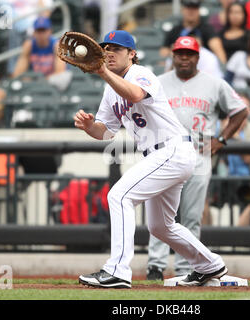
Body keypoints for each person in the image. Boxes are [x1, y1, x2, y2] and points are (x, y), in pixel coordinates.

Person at [75, 30, 229, 288]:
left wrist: (102, 71)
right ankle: (209, 265)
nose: (109, 53)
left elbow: (135, 95)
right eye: (106, 49)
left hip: (171, 149)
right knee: (161, 227)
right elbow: (106, 132)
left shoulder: (140, 73)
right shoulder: (110, 89)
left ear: (132, 54)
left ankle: (117, 271)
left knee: (119, 196)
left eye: (117, 49)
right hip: (162, 155)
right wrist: (89, 126)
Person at [146, 36, 248, 280]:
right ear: (173, 55)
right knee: (159, 217)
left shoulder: (214, 83)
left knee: (191, 216)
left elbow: (240, 110)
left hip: (198, 156)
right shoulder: (157, 83)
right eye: (180, 53)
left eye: (189, 53)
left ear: (197, 57)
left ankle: (185, 267)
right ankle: (155, 266)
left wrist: (221, 139)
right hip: (164, 155)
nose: (184, 57)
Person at [160, 0, 227, 65]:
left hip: (203, 67)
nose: (191, 12)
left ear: (198, 11)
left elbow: (218, 50)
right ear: (183, 10)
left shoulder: (207, 29)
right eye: (188, 8)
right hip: (179, 68)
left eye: (194, 8)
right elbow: (163, 55)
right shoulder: (174, 30)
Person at [226, 93, 250, 177]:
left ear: (249, 111)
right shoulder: (220, 127)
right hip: (223, 180)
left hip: (248, 180)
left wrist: (235, 136)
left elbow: (248, 158)